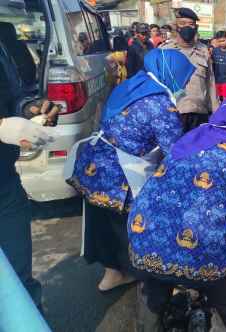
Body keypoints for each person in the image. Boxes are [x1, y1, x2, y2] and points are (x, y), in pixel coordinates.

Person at [128, 98, 226, 332]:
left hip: (143, 235)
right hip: (202, 248)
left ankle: (149, 324)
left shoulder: (189, 139)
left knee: (154, 288)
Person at [65, 49, 195, 292]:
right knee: (129, 226)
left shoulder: (132, 86)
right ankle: (148, 280)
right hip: (120, 175)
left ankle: (111, 274)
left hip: (95, 166)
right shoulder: (160, 105)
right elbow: (175, 152)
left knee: (101, 221)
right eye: (184, 79)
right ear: (171, 74)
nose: (185, 85)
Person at [0, 40, 59, 310]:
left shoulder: (2, 44)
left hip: (5, 184)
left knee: (18, 280)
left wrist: (31, 109)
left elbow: (12, 97)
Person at [161, 7, 218, 132]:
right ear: (176, 27)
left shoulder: (203, 50)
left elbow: (210, 83)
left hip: (199, 113)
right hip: (174, 113)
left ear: (196, 28)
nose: (187, 27)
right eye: (182, 24)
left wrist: (215, 112)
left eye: (191, 24)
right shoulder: (164, 51)